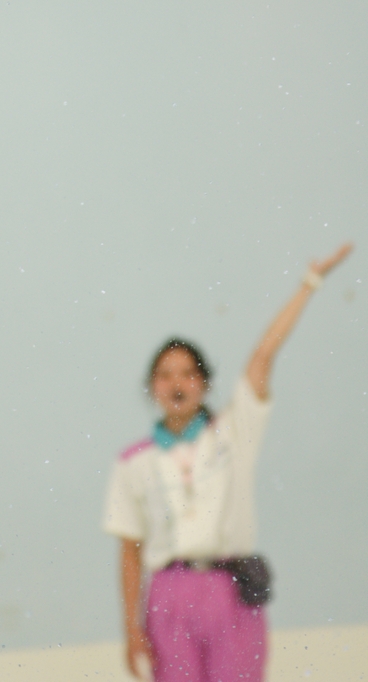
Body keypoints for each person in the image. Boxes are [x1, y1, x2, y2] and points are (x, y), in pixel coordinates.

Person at [102, 243, 353, 682]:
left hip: (229, 590)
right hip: (168, 595)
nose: (176, 383)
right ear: (151, 387)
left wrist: (309, 283)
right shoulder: (133, 463)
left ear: (204, 382)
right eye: (165, 374)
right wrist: (131, 628)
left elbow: (262, 358)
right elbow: (129, 552)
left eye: (187, 373)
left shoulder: (233, 435)